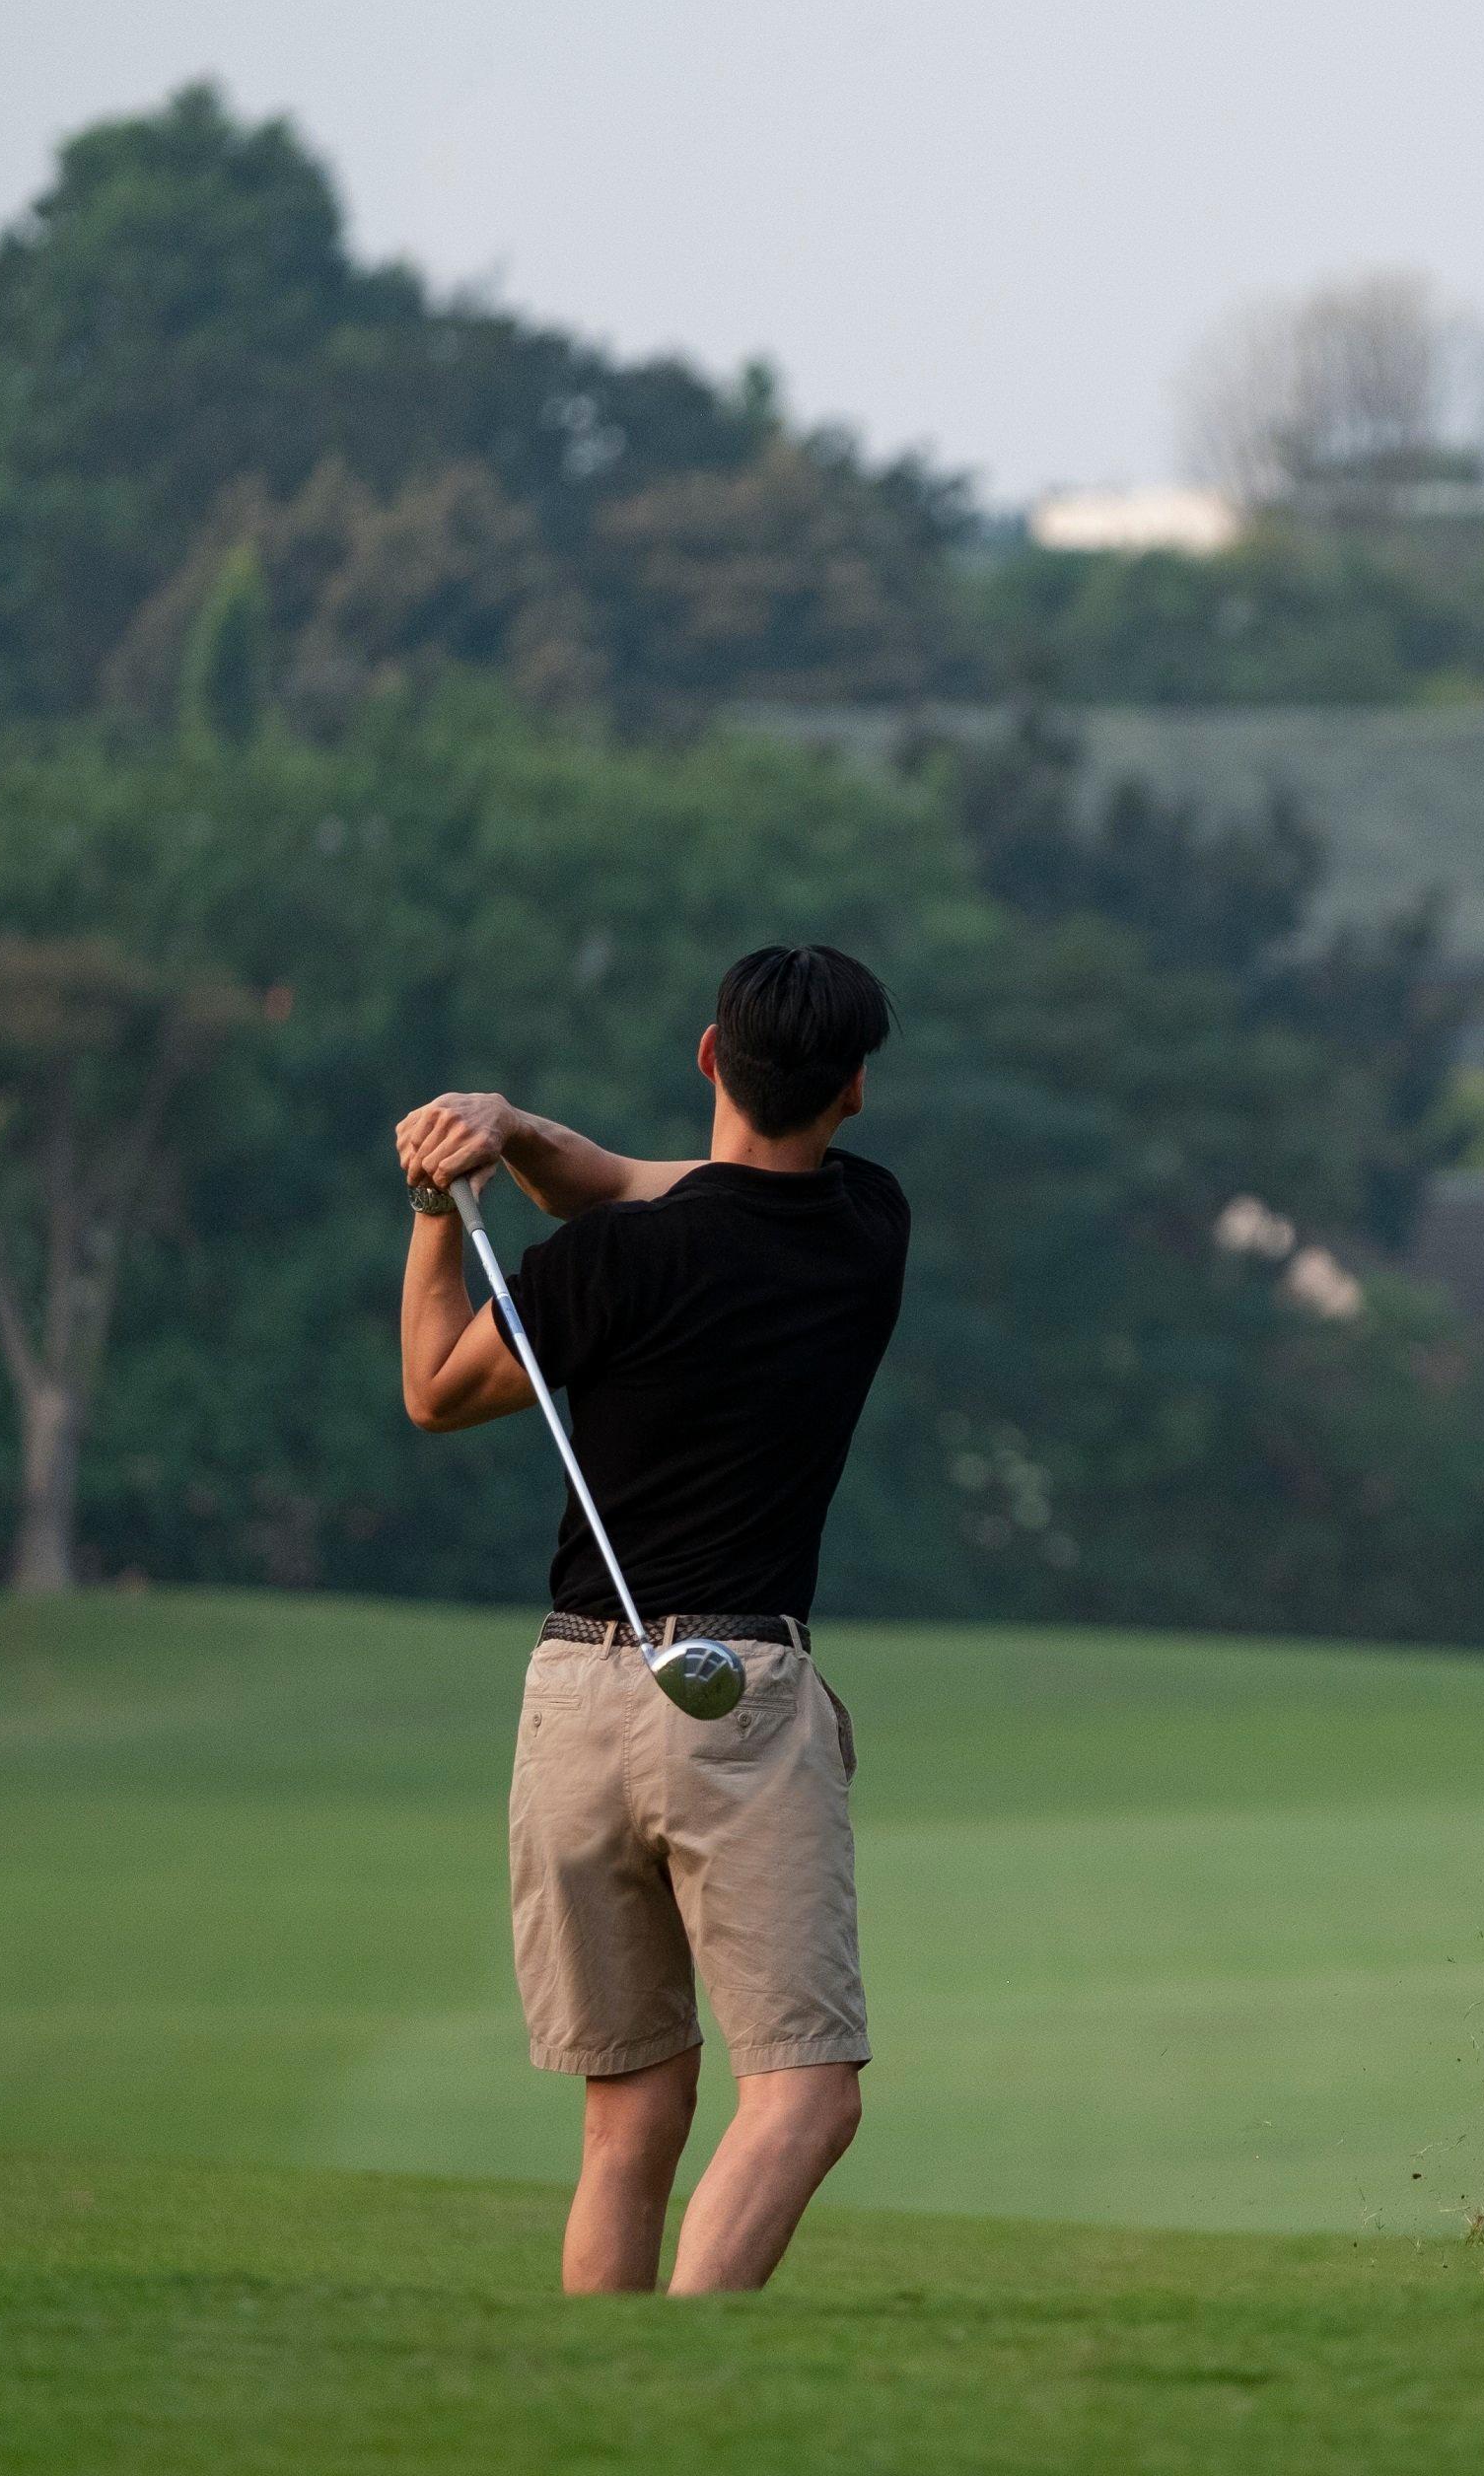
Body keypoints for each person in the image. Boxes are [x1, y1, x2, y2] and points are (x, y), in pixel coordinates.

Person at [391, 943, 907, 2295]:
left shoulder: (601, 1264)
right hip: (733, 1700)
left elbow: (436, 1391)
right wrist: (512, 1133)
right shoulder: (869, 1227)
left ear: (705, 1058)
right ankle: (679, 2390)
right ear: (854, 1091)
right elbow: (651, 1185)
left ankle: (605, 2408)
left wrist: (447, 1206)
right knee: (803, 2098)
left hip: (570, 1706)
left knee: (630, 2118)